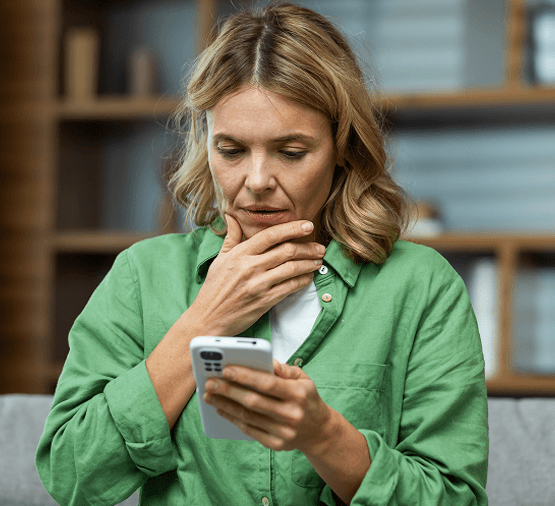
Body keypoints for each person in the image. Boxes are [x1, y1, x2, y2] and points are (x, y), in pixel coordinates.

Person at [36, 3, 489, 505]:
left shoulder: (421, 288)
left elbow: (454, 499)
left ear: (342, 146)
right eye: (230, 150)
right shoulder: (143, 276)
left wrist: (325, 436)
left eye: (291, 153)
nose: (255, 182)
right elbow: (71, 475)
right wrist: (204, 320)